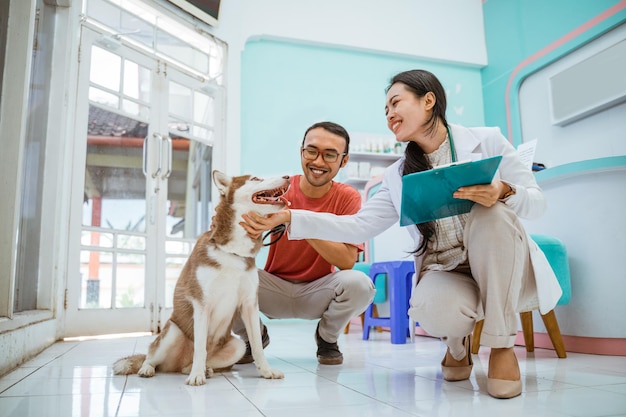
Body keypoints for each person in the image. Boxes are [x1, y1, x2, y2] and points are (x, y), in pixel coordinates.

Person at [242, 70, 562, 399]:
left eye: (395, 103)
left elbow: (537, 202)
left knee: (491, 213)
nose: (390, 115)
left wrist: (504, 190)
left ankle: (501, 346)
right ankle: (457, 343)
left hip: (498, 259)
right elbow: (359, 226)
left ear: (428, 100)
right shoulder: (397, 175)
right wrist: (290, 216)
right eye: (385, 111)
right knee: (430, 309)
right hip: (447, 270)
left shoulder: (488, 140)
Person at [235, 121, 376, 366]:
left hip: (318, 292)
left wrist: (297, 221)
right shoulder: (279, 189)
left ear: (343, 161)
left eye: (330, 155)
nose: (319, 162)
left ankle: (327, 338)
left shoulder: (348, 197)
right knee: (227, 274)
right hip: (273, 289)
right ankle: (253, 336)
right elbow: (241, 226)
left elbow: (346, 262)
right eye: (312, 151)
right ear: (301, 152)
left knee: (360, 284)